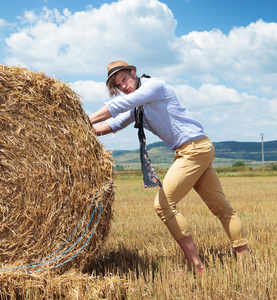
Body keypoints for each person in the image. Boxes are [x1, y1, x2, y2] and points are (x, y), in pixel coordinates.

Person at [90, 60, 250, 274]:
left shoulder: (154, 86)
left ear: (134, 73)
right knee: (221, 207)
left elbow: (118, 106)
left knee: (163, 205)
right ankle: (244, 257)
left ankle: (197, 266)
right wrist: (84, 131)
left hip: (194, 149)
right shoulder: (139, 108)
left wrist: (84, 119)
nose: (123, 87)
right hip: (195, 149)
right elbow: (115, 123)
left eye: (125, 80)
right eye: (118, 86)